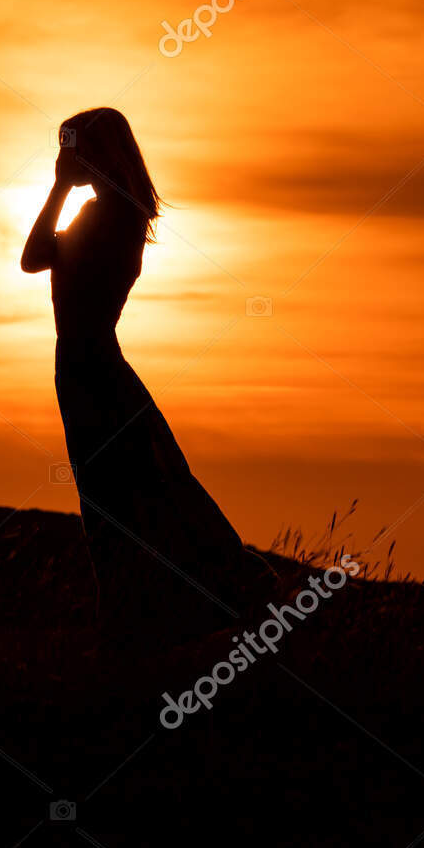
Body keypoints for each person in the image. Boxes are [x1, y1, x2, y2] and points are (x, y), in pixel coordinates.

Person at [21, 107, 273, 643]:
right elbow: (38, 259)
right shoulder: (111, 211)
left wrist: (60, 188)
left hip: (91, 365)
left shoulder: (112, 216)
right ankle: (183, 605)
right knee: (144, 485)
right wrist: (66, 187)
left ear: (100, 153)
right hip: (90, 364)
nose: (66, 158)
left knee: (118, 496)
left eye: (74, 147)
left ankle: (160, 612)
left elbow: (33, 256)